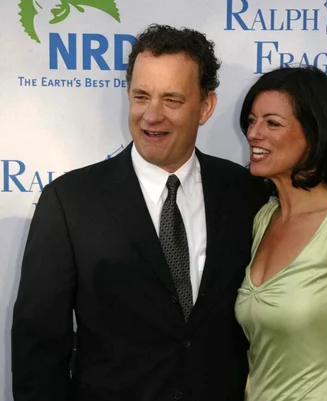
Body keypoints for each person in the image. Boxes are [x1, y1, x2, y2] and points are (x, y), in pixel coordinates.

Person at [12, 24, 268, 401]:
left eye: (172, 100)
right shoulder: (70, 202)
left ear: (206, 106)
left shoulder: (247, 193)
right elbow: (39, 351)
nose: (151, 116)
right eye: (141, 96)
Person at [234, 66, 327, 401]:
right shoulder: (265, 219)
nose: (254, 134)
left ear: (315, 134)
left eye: (272, 123)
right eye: (251, 120)